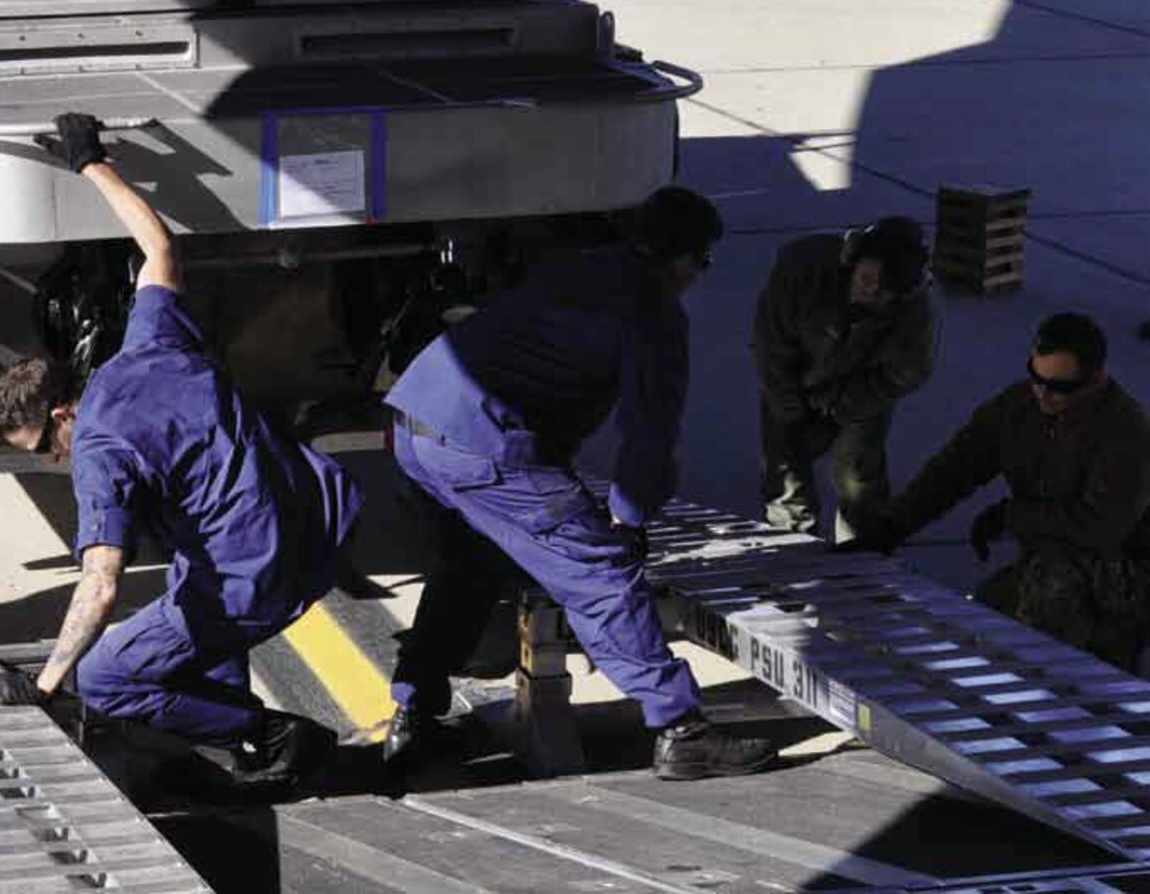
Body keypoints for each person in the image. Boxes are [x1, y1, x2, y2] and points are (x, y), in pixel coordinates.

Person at [0, 113, 363, 791]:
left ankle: (275, 733)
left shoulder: (99, 448)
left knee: (103, 675)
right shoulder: (148, 347)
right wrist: (89, 161)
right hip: (316, 521)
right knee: (188, 596)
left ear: (63, 411)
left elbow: (99, 586)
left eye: (44, 446)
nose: (50, 461)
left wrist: (46, 683)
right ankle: (245, 740)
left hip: (258, 571)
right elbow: (158, 246)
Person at [381, 186, 775, 781]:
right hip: (482, 444)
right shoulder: (654, 315)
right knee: (601, 572)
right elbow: (648, 435)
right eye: (704, 262)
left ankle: (414, 714)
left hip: (417, 419)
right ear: (683, 260)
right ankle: (681, 730)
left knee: (470, 563)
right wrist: (630, 520)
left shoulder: (585, 266)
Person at [869, 313, 1150, 669]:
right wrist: (892, 527)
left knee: (1051, 599)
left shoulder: (1125, 431)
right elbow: (955, 467)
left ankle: (1071, 689)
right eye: (1037, 378)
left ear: (1093, 380)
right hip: (1050, 558)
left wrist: (1012, 516)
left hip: (1125, 571)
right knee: (988, 616)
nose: (1044, 395)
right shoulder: (1018, 408)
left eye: (1059, 387)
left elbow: (1101, 528)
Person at [755, 217, 939, 541]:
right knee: (786, 475)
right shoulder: (803, 266)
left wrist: (840, 405)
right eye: (866, 278)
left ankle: (862, 559)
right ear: (852, 261)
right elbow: (772, 346)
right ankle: (790, 554)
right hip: (791, 378)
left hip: (861, 391)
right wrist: (792, 411)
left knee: (860, 481)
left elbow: (906, 374)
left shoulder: (914, 311)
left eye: (882, 291)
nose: (868, 292)